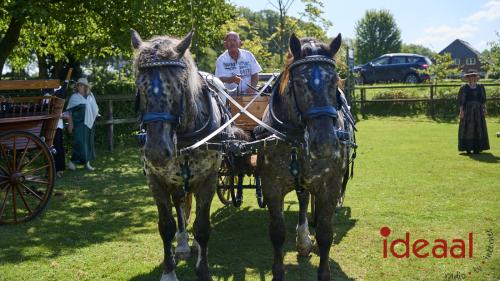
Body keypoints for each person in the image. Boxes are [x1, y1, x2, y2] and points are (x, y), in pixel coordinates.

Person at [66, 78, 99, 171]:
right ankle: (72, 162)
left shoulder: (90, 96)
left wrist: (96, 114)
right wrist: (70, 124)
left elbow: (95, 108)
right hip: (79, 124)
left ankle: (87, 163)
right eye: (79, 85)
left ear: (85, 87)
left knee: (88, 143)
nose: (80, 86)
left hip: (90, 124)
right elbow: (69, 112)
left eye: (82, 85)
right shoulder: (74, 97)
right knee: (79, 143)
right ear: (77, 87)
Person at [458, 70, 490, 154]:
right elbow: (461, 101)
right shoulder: (464, 87)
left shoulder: (480, 87)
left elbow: (483, 100)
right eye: (470, 76)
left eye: (473, 76)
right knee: (468, 129)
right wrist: (461, 112)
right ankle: (468, 148)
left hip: (478, 111)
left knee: (478, 128)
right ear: (468, 78)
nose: (471, 77)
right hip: (468, 111)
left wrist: (484, 109)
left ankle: (477, 147)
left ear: (476, 77)